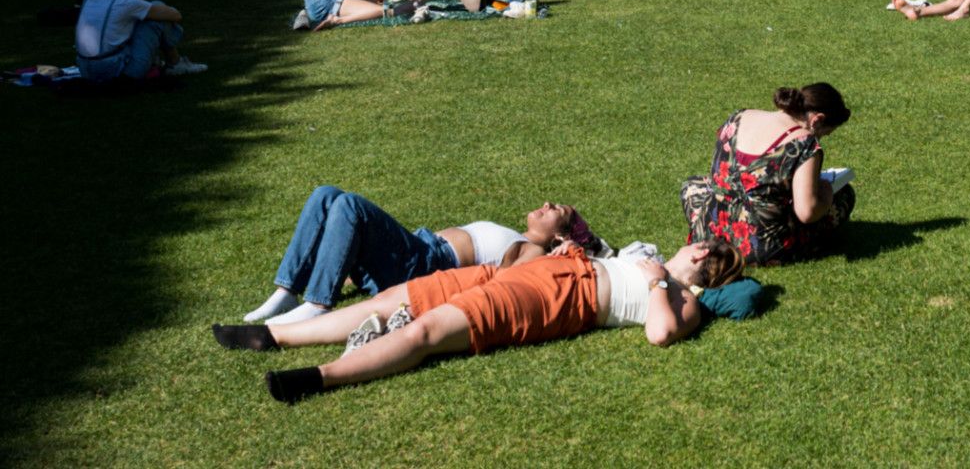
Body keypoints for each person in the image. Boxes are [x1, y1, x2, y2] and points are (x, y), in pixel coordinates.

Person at [214, 237, 743, 404]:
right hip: (546, 268)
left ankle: (318, 377)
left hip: (562, 297)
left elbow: (660, 334)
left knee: (428, 331)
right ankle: (274, 335)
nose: (688, 246)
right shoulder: (653, 261)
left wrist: (657, 282)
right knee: (401, 296)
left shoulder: (684, 301)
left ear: (702, 257)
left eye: (697, 247)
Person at [242, 191, 586, 325]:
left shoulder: (535, 252)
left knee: (349, 206)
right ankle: (287, 291)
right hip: (415, 250)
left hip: (425, 264)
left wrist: (566, 252)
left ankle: (318, 304)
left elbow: (516, 282)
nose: (547, 204)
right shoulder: (518, 236)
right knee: (325, 195)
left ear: (560, 235)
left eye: (557, 210)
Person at [681, 83, 856, 265]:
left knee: (693, 184)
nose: (819, 138)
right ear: (817, 120)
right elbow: (807, 212)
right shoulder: (804, 143)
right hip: (760, 247)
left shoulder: (738, 117)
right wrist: (826, 191)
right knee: (844, 195)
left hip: (711, 233)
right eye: (824, 133)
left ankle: (710, 230)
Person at [74, 0, 205, 81]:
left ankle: (160, 61)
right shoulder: (125, 2)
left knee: (142, 17)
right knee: (156, 12)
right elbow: (176, 16)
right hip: (117, 72)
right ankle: (175, 63)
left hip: (86, 70)